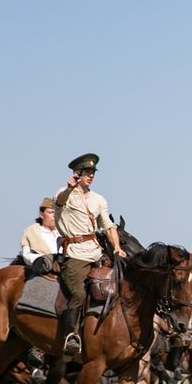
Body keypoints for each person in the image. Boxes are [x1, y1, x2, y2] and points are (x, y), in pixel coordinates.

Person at [53, 153, 127, 361]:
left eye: (93, 172)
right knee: (78, 293)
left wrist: (117, 247)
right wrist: (69, 188)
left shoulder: (98, 199)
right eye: (87, 172)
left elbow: (108, 226)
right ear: (77, 174)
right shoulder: (64, 194)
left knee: (114, 288)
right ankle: (71, 337)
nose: (91, 176)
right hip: (75, 254)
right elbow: (59, 202)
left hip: (95, 252)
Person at [20, 197, 59, 264]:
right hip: (42, 268)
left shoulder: (63, 231)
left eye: (56, 213)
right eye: (50, 212)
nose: (54, 216)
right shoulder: (31, 231)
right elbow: (26, 256)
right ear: (41, 215)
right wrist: (46, 258)